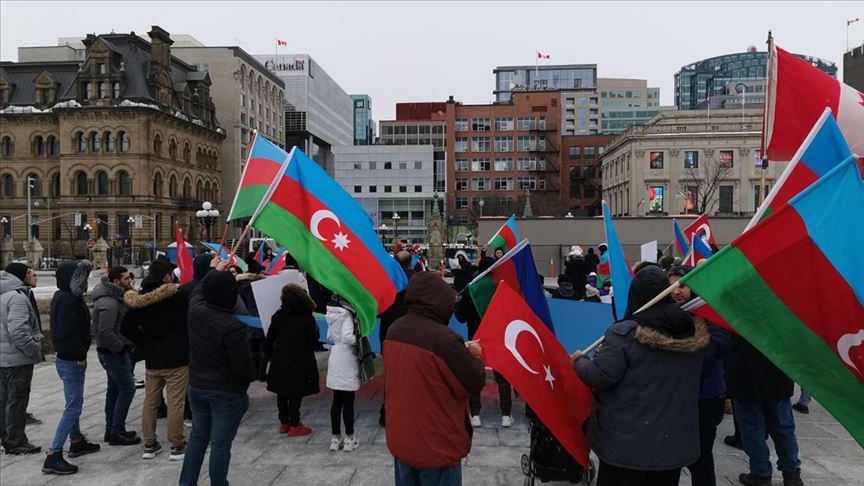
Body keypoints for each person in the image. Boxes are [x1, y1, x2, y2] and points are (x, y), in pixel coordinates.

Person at [572, 265, 709, 486]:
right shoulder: (690, 330)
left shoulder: (624, 333)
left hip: (627, 447)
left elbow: (600, 375)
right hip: (671, 446)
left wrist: (579, 361)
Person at [383, 272, 486, 485]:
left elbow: (422, 368)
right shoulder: (443, 339)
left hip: (403, 438)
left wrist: (459, 351)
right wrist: (474, 355)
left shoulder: (394, 329)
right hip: (436, 444)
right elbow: (474, 381)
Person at [179, 263, 255, 486]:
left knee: (198, 439)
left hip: (197, 387)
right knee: (220, 445)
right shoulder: (233, 327)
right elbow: (243, 368)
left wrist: (214, 271)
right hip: (227, 392)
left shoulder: (195, 311)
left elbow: (199, 291)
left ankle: (186, 483)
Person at [668, 265, 730, 486]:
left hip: (705, 398)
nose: (677, 291)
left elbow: (722, 344)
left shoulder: (710, 312)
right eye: (672, 286)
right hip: (674, 399)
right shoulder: (665, 314)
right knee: (670, 460)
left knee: (701, 457)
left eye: (682, 285)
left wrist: (690, 344)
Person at [121, 259, 189, 461]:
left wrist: (145, 343)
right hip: (177, 356)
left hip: (153, 358)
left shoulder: (140, 300)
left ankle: (149, 444)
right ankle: (177, 445)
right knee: (176, 402)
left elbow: (126, 328)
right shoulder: (178, 297)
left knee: (150, 402)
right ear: (167, 276)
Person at [43, 260, 100, 475]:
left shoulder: (65, 296)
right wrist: (80, 355)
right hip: (71, 360)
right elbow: (66, 333)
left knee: (73, 402)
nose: (85, 281)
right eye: (82, 277)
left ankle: (76, 440)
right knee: (73, 407)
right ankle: (53, 454)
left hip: (68, 359)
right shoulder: (67, 300)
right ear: (72, 279)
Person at [726, 333, 803, 486]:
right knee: (783, 427)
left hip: (747, 374)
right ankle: (792, 474)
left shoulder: (737, 310)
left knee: (752, 428)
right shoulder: (782, 311)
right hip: (778, 373)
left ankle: (760, 473)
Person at [91, 266, 141, 446]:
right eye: (127, 279)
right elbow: (105, 332)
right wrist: (120, 348)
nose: (130, 281)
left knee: (114, 390)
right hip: (113, 353)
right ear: (116, 282)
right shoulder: (108, 303)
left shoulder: (115, 297)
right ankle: (117, 431)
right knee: (128, 389)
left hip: (114, 351)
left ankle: (111, 428)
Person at [264, 283, 319, 436]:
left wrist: (267, 356)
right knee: (296, 393)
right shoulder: (307, 317)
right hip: (300, 360)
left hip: (279, 358)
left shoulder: (277, 315)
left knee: (281, 391)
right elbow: (313, 341)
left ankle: (284, 422)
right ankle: (295, 424)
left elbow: (269, 339)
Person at [0, 264, 43, 455]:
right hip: (17, 359)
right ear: (19, 277)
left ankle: (7, 438)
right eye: (28, 273)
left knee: (5, 400)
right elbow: (18, 331)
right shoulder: (17, 297)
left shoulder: (3, 294)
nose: (32, 274)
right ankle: (16, 442)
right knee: (17, 402)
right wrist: (33, 350)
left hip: (4, 357)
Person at [378, 251, 413, 427]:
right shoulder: (415, 281)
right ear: (410, 263)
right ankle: (407, 411)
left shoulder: (386, 281)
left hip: (388, 332)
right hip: (409, 333)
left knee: (390, 375)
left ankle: (387, 412)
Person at [325, 297, 360, 452]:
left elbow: (329, 336)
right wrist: (358, 338)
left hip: (335, 356)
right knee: (348, 400)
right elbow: (347, 337)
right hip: (346, 358)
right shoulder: (346, 315)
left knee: (336, 400)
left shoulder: (331, 314)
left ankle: (335, 437)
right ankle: (350, 438)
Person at [237, 258, 266, 381]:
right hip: (260, 318)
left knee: (251, 348)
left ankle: (253, 372)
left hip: (247, 318)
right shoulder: (261, 286)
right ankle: (261, 373)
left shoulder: (240, 285)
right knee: (263, 348)